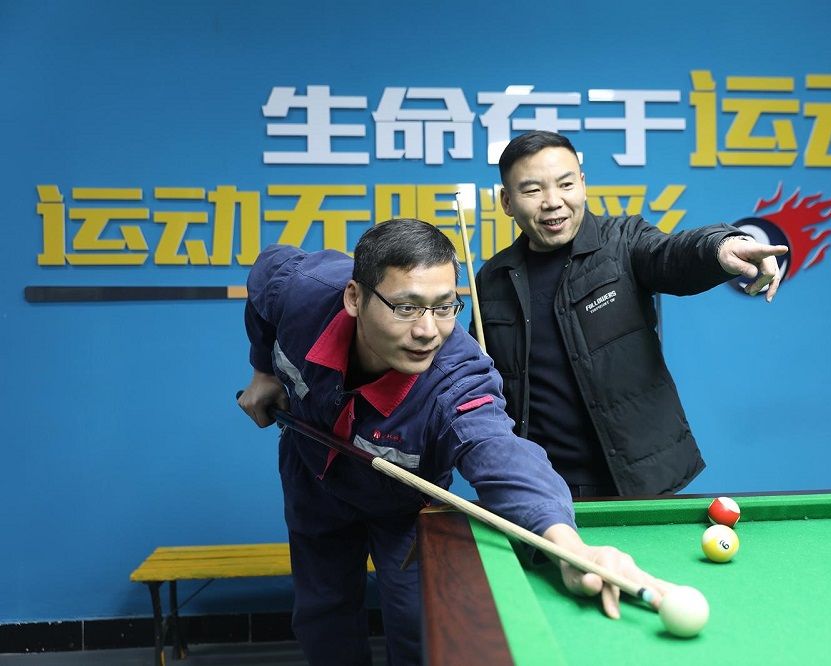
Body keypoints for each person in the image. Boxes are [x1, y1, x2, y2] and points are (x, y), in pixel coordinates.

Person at [237, 218, 675, 666]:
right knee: (322, 617)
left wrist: (568, 545)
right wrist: (263, 371)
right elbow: (266, 272)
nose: (428, 330)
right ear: (354, 298)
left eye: (444, 307)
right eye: (406, 307)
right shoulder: (305, 292)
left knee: (419, 627)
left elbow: (500, 451)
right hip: (313, 473)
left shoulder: (457, 379)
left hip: (405, 508)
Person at [475, 130, 787, 498]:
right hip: (538, 486)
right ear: (507, 201)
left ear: (583, 184)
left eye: (565, 184)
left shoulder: (623, 241)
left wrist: (721, 246)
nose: (553, 202)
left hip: (634, 481)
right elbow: (478, 380)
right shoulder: (492, 279)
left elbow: (673, 255)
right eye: (532, 190)